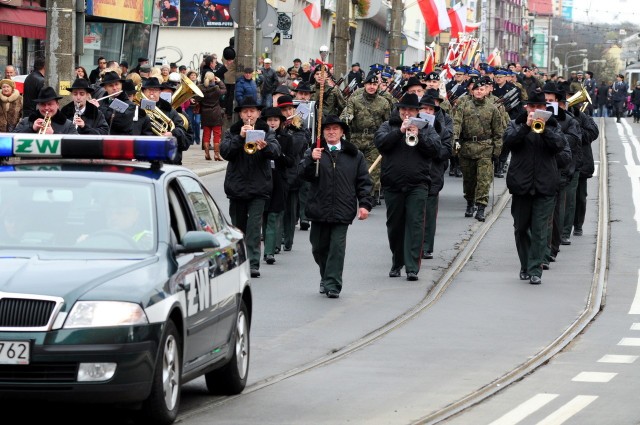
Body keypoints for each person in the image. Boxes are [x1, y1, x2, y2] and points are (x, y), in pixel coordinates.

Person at [299, 115, 373, 298]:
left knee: (337, 249)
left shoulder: (354, 155)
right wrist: (310, 160)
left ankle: (333, 284)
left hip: (342, 209)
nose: (331, 132)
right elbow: (302, 174)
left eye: (335, 129)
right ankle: (325, 276)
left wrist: (364, 204)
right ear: (322, 132)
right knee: (318, 247)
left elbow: (364, 181)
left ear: (342, 132)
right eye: (327, 129)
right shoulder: (314, 151)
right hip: (318, 208)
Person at [503, 92, 571, 285]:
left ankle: (535, 269)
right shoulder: (516, 124)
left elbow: (559, 146)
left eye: (538, 107)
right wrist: (526, 126)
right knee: (521, 228)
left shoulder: (553, 125)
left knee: (540, 229)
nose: (535, 111)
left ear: (544, 109)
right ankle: (525, 265)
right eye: (531, 107)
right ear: (527, 108)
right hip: (521, 185)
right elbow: (508, 142)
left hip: (545, 185)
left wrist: (544, 130)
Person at [373, 93, 441, 281]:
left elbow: (436, 150)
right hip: (393, 184)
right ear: (399, 110)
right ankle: (397, 261)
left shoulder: (426, 128)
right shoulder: (388, 126)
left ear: (417, 112)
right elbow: (380, 144)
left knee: (415, 224)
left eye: (411, 110)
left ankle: (412, 267)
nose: (407, 113)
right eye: (404, 109)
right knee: (394, 226)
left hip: (417, 183)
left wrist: (419, 137)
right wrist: (399, 132)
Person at [220, 96, 281, 278]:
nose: (249, 115)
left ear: (258, 113)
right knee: (238, 229)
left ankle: (253, 263)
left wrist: (266, 147)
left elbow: (276, 152)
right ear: (240, 114)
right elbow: (225, 152)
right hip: (237, 187)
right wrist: (240, 138)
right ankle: (240, 261)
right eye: (245, 111)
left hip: (259, 187)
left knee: (254, 228)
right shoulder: (232, 131)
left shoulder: (267, 131)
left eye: (252, 111)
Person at [453, 78, 504, 221]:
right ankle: (470, 202)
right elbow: (457, 124)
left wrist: (497, 151)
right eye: (476, 89)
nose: (479, 91)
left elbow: (498, 132)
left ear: (486, 91)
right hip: (467, 148)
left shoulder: (493, 108)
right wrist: (455, 141)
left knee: (484, 180)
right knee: (469, 180)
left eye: (482, 89)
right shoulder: (464, 106)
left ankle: (481, 207)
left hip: (485, 148)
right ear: (472, 91)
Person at [340, 72, 391, 204]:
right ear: (365, 85)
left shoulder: (384, 102)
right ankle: (352, 191)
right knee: (353, 166)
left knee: (373, 168)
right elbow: (346, 114)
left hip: (374, 139)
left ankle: (371, 193)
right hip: (357, 137)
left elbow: (388, 122)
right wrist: (346, 119)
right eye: (369, 84)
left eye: (374, 84)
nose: (372, 87)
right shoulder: (354, 100)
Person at [420, 94, 452, 260]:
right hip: (414, 176)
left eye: (430, 109)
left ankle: (426, 246)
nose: (427, 112)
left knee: (429, 213)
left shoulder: (442, 130)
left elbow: (447, 151)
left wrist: (429, 148)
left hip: (433, 174)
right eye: (424, 109)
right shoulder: (411, 126)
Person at [261, 107, 295, 264]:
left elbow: (290, 161)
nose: (272, 123)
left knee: (274, 215)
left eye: (275, 120)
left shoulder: (287, 138)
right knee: (263, 215)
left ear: (280, 122)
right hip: (262, 179)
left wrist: (278, 154)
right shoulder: (260, 136)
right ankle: (267, 246)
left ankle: (270, 251)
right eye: (269, 120)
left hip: (279, 179)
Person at [277, 95, 309, 252]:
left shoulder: (299, 129)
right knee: (278, 208)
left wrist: (287, 130)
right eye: (284, 110)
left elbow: (295, 147)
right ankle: (277, 236)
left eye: (290, 109)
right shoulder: (274, 126)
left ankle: (288, 239)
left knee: (290, 209)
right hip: (277, 174)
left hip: (293, 173)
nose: (287, 112)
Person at [140, 77, 192, 164]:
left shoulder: (170, 110)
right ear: (143, 92)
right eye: (149, 90)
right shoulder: (138, 109)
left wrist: (172, 133)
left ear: (160, 92)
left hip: (168, 160)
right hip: (145, 158)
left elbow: (182, 131)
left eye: (155, 90)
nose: (152, 93)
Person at [94, 71, 135, 136]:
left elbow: (121, 123)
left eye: (117, 84)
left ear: (121, 85)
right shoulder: (101, 102)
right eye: (111, 85)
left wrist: (99, 109)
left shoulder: (129, 104)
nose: (115, 88)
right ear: (105, 88)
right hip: (103, 141)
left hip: (120, 142)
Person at [199, 71, 227, 160]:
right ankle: (216, 154)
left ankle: (207, 154)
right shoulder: (216, 88)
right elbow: (224, 90)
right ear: (213, 79)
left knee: (206, 134)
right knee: (217, 134)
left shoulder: (200, 88)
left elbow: (196, 98)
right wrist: (219, 81)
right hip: (216, 113)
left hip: (205, 113)